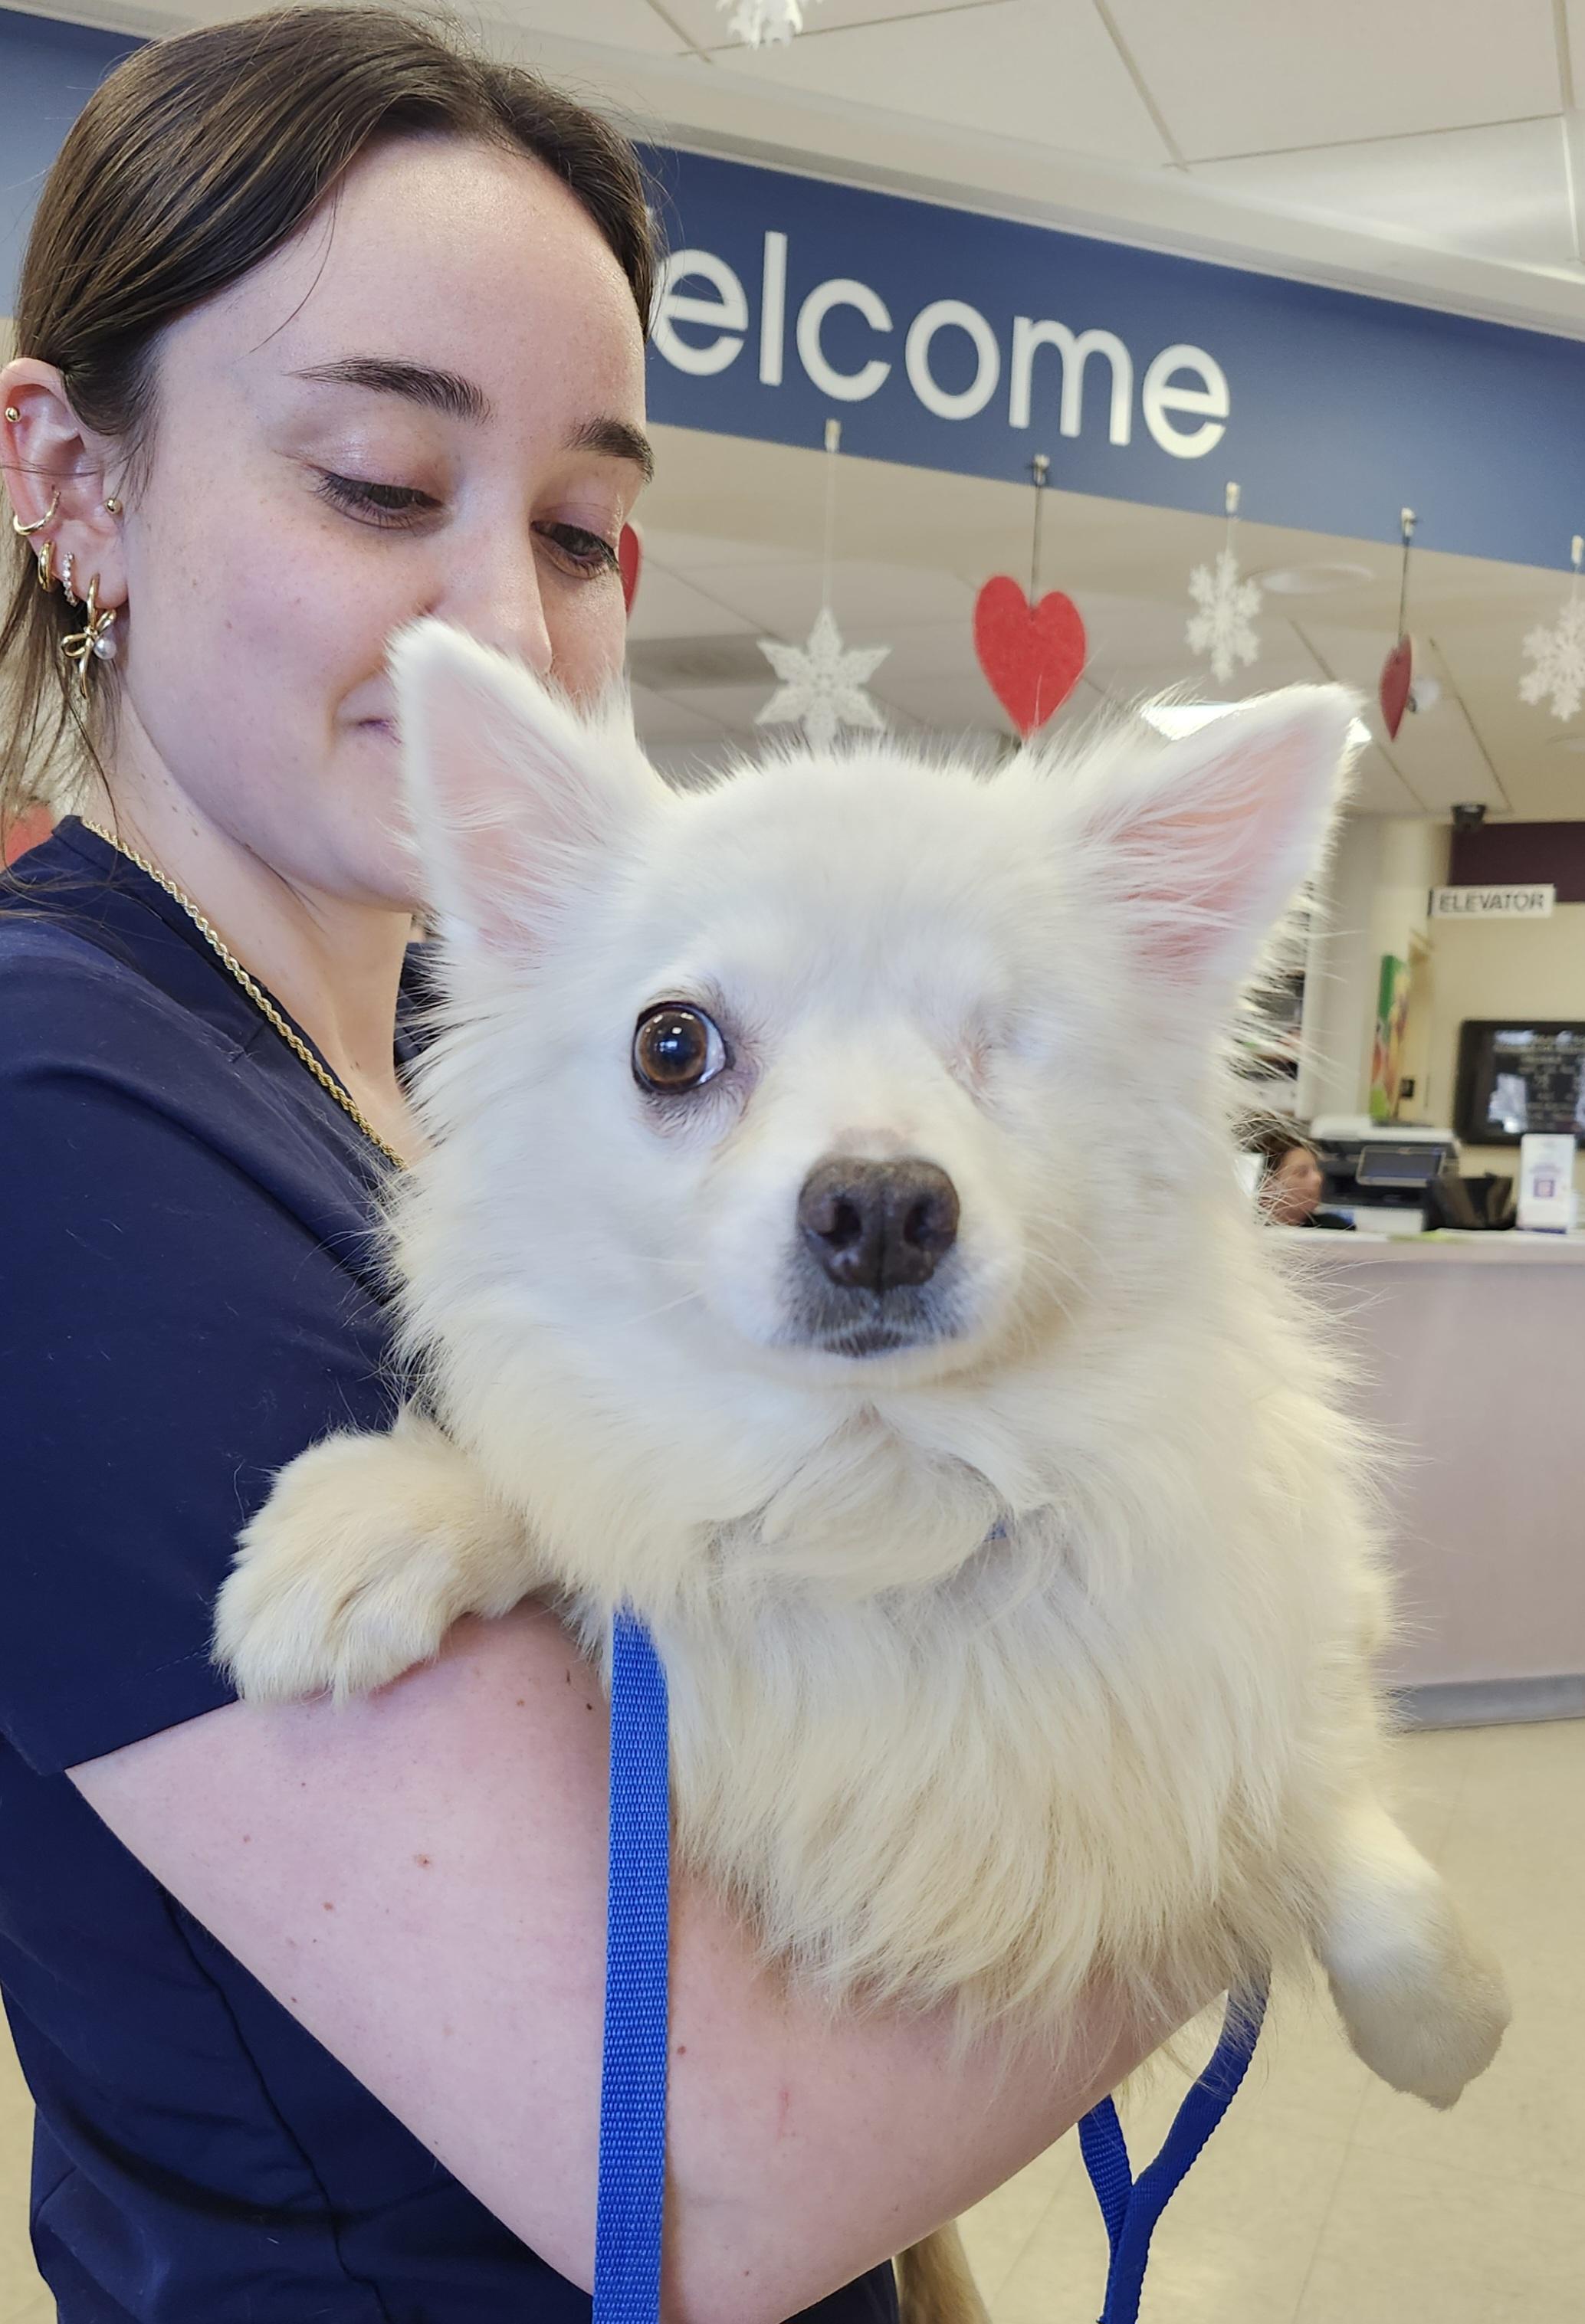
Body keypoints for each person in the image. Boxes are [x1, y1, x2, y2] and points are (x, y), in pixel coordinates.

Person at [0, 12, 1164, 2319]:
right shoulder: (59, 1121)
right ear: (77, 484)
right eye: (368, 479)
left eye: (577, 532)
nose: (509, 640)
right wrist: (1258, 1767)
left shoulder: (499, 1050)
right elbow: (713, 2172)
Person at [1248, 1125, 1354, 1229]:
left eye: (1317, 1169)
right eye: (1302, 1173)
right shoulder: (1243, 1231)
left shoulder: (1335, 1230)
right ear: (1266, 1184)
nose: (1318, 1179)